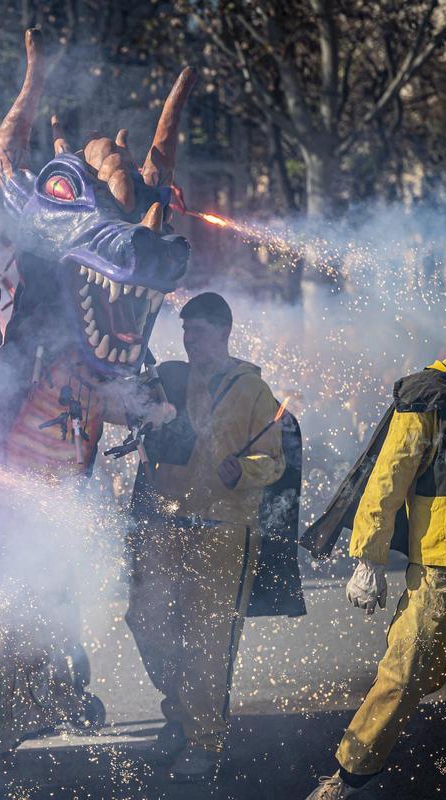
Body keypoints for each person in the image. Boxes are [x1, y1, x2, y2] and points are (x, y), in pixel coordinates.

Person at [303, 286, 446, 800]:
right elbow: (389, 478)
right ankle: (348, 776)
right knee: (403, 681)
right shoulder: (433, 393)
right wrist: (367, 557)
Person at [125, 292, 286, 782]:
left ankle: (203, 739)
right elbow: (130, 406)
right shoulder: (171, 376)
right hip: (162, 521)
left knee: (209, 639)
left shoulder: (255, 391)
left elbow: (274, 460)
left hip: (223, 528)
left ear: (222, 331)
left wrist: (246, 469)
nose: (188, 340)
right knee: (145, 619)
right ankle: (179, 711)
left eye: (196, 331)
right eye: (184, 332)